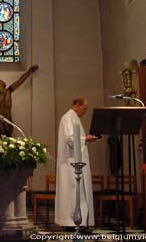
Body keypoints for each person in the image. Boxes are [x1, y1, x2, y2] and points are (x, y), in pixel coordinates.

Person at [55, 97, 99, 230]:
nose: (85, 112)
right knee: (74, 190)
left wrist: (85, 139)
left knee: (79, 190)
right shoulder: (68, 117)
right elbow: (70, 138)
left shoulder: (74, 118)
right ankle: (72, 222)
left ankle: (80, 221)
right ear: (77, 105)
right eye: (84, 108)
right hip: (71, 163)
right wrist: (86, 138)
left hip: (77, 160)